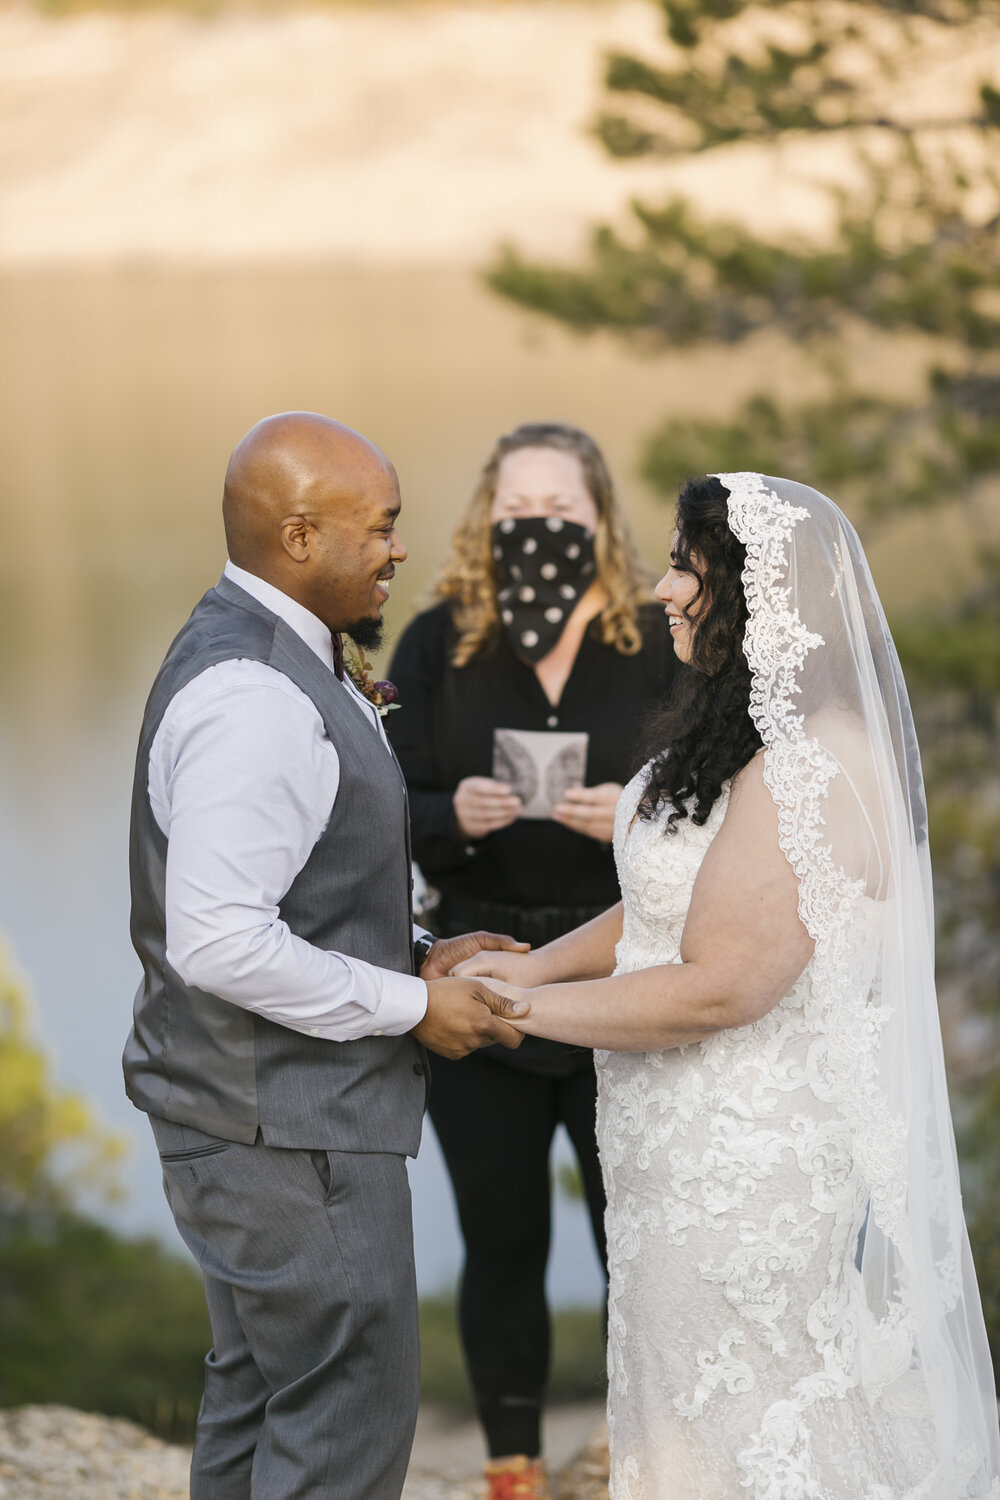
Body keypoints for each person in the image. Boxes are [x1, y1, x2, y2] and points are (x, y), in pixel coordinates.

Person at [458, 473, 1000, 1498]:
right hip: (669, 1141)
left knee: (745, 1418)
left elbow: (721, 984)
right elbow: (667, 900)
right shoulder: (734, 738)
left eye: (682, 567)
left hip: (744, 1170)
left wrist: (502, 1011)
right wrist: (527, 963)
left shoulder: (814, 767)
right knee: (673, 1407)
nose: (659, 589)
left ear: (754, 593)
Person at [122, 411, 530, 1500]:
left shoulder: (264, 651)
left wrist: (418, 951)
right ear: (299, 537)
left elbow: (280, 893)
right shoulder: (253, 695)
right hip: (285, 1134)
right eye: (381, 527)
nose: (400, 548)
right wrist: (410, 1007)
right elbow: (218, 938)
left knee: (265, 1399)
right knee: (346, 1414)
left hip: (253, 1117)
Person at [385, 422, 680, 1495]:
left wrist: (639, 823)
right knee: (498, 1239)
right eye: (516, 516)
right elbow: (383, 813)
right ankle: (510, 1468)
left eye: (559, 514)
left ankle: (628, 1451)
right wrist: (449, 816)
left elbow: (716, 810)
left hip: (628, 983)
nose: (537, 533)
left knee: (636, 1239)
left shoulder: (659, 639)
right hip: (483, 985)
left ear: (599, 518)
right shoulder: (436, 644)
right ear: (484, 521)